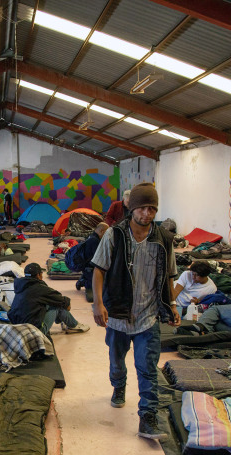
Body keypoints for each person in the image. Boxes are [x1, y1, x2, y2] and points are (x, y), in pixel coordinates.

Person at [91, 182, 180, 440]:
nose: (147, 214)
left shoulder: (164, 239)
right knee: (117, 363)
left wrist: (171, 305)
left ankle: (148, 418)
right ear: (132, 208)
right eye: (142, 208)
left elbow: (170, 276)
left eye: (152, 208)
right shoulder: (115, 235)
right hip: (118, 316)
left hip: (148, 316)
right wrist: (98, 303)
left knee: (148, 367)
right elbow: (99, 270)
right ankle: (118, 387)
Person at [7, 263, 90, 338]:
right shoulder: (39, 288)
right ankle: (73, 325)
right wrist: (67, 303)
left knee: (48, 302)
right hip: (34, 334)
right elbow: (60, 299)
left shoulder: (21, 286)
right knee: (58, 305)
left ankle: (66, 321)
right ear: (38, 275)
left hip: (18, 329)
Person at [72, 222, 110, 303]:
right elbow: (98, 259)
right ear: (102, 231)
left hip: (86, 266)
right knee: (95, 295)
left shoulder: (92, 237)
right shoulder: (94, 241)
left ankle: (83, 279)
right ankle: (84, 281)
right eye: (106, 233)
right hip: (89, 268)